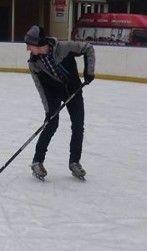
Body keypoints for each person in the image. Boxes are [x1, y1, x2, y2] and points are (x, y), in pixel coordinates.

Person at [24, 25, 95, 180]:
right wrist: (49, 110)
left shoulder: (63, 48)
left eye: (30, 45)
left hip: (73, 91)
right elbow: (40, 88)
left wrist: (89, 72)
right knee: (51, 124)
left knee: (78, 126)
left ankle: (74, 162)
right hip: (53, 95)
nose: (28, 49)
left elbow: (88, 48)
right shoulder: (34, 64)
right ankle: (37, 161)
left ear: (39, 44)